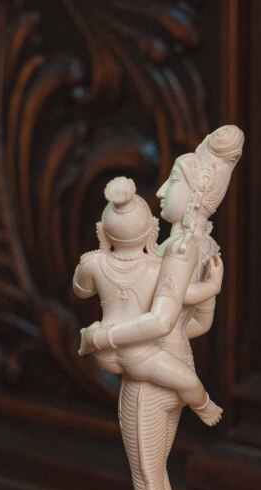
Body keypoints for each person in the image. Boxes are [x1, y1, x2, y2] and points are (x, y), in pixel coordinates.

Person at [79, 126, 244, 490]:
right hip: (174, 365)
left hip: (151, 383)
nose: (162, 192)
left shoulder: (177, 249)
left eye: (173, 182)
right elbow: (197, 324)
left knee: (147, 475)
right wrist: (209, 291)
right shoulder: (200, 247)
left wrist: (103, 336)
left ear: (195, 196)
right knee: (157, 473)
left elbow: (163, 319)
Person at [73, 176, 224, 425]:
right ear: (152, 231)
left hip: (104, 355)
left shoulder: (92, 262)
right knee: (189, 382)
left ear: (102, 230)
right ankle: (205, 407)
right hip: (138, 354)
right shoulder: (156, 268)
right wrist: (212, 286)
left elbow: (82, 291)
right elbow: (184, 295)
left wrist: (98, 254)